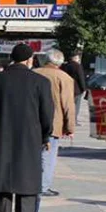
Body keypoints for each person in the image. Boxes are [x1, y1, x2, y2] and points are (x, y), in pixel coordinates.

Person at [0, 44, 53, 212]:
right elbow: (47, 114)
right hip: (30, 139)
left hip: (0, 137)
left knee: (3, 180)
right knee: (27, 181)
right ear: (29, 60)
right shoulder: (41, 82)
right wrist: (46, 136)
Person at [35, 50, 76, 199]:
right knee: (48, 156)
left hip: (31, 121)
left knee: (32, 154)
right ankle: (43, 186)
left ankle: (29, 182)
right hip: (53, 123)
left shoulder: (34, 73)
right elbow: (68, 105)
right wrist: (70, 127)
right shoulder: (64, 78)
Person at [61, 51, 89, 125]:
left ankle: (67, 120)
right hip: (77, 89)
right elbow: (81, 78)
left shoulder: (65, 65)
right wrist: (84, 88)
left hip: (67, 88)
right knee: (76, 106)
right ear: (76, 58)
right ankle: (74, 121)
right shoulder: (77, 66)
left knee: (68, 105)